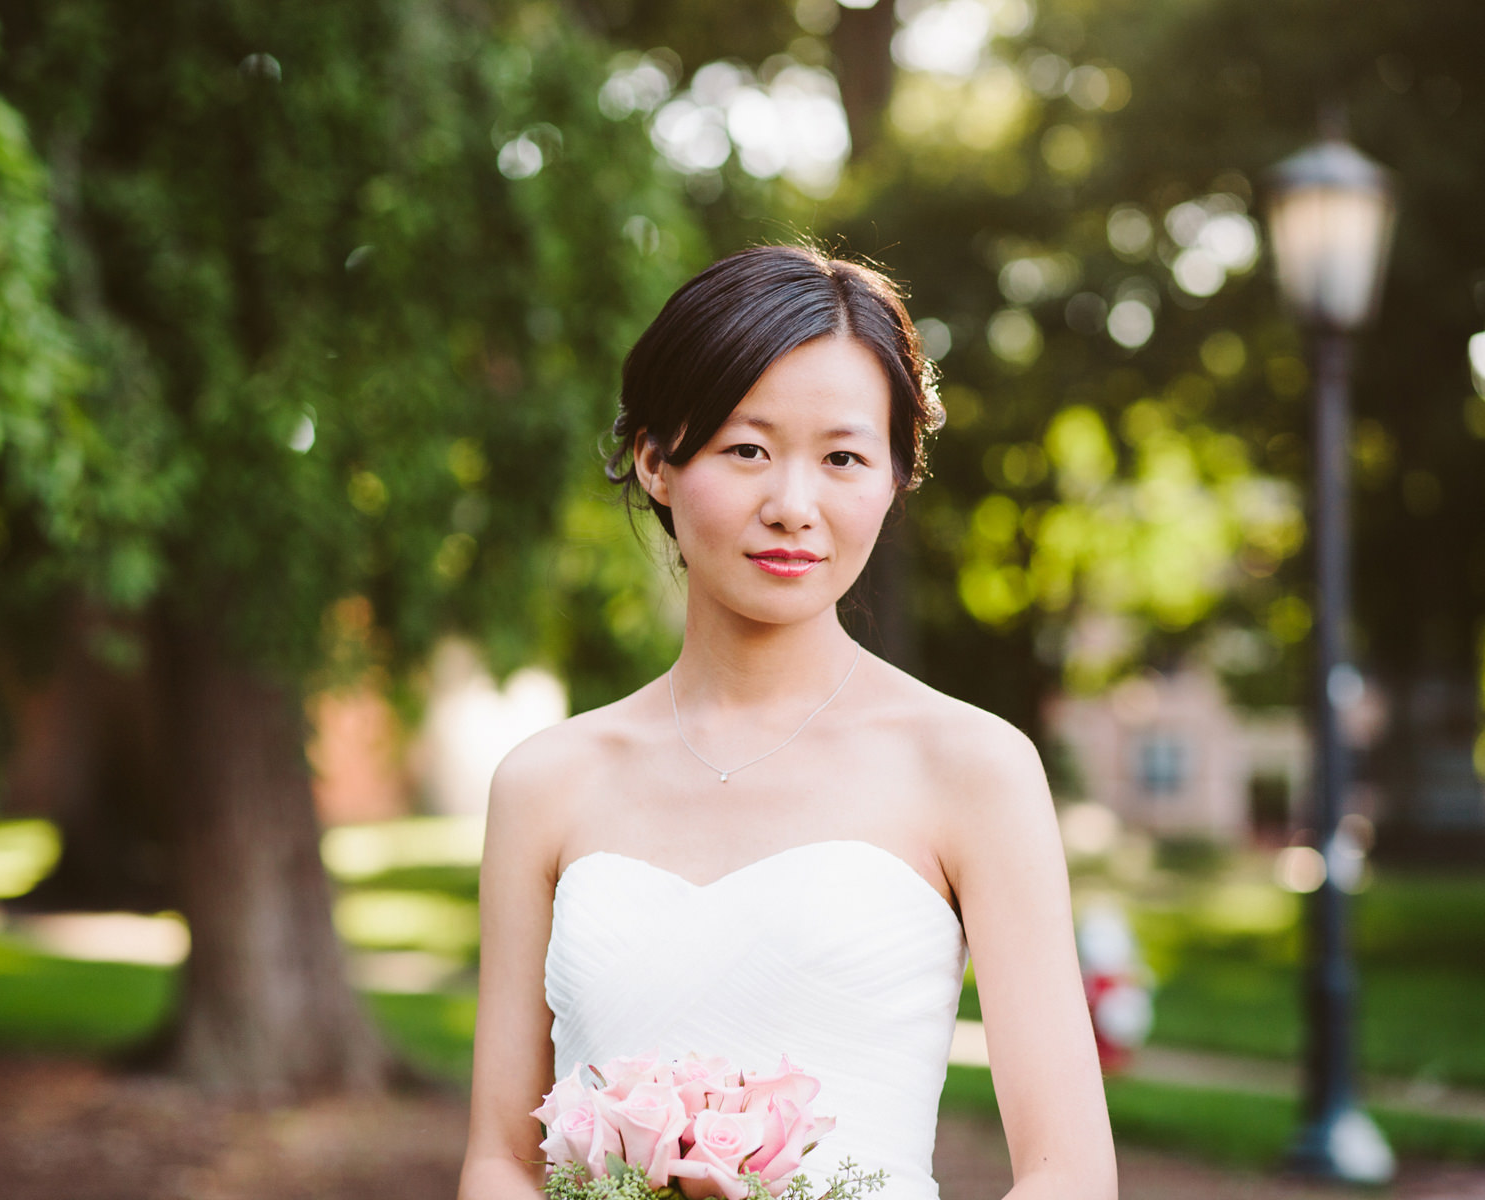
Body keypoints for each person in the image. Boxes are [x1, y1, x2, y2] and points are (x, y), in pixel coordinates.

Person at [457, 245, 1115, 1200]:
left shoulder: (973, 767)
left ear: (895, 477)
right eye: (746, 450)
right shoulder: (547, 781)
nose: (793, 507)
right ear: (655, 461)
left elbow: (1070, 1172)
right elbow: (500, 1159)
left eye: (844, 457)